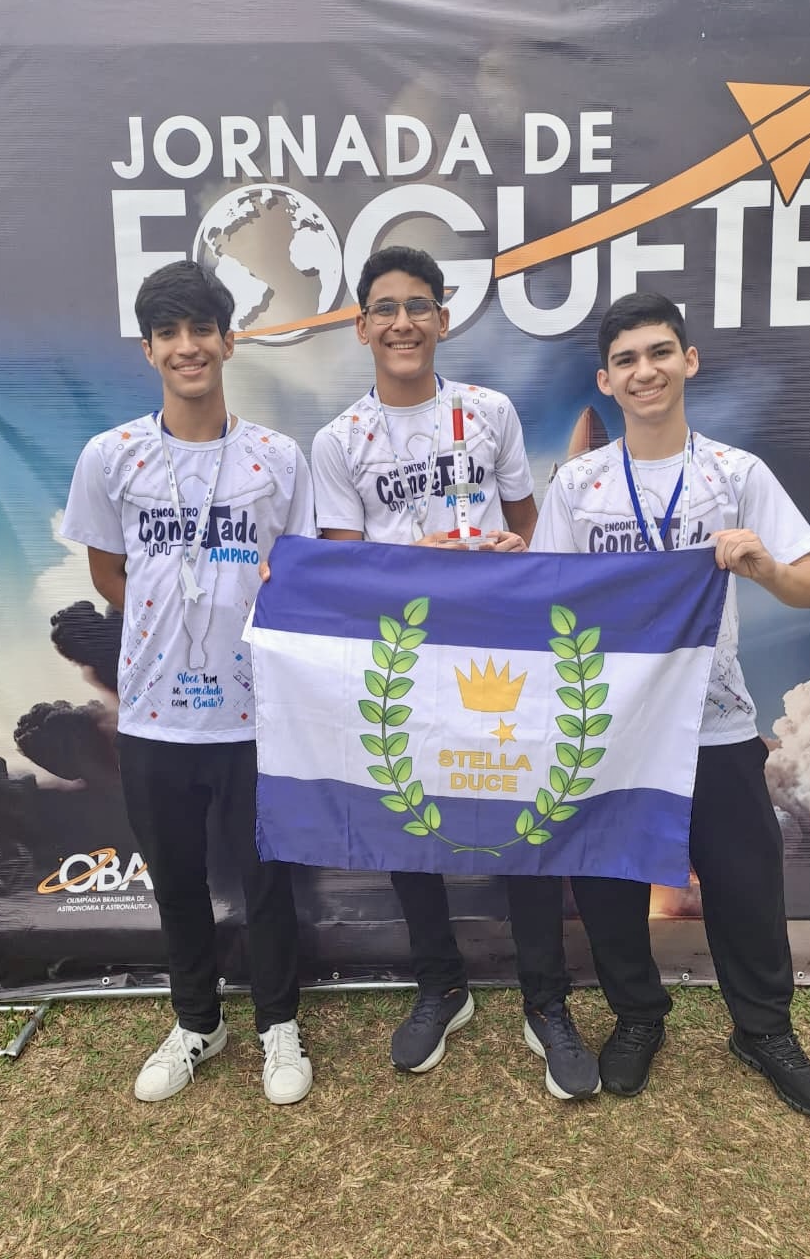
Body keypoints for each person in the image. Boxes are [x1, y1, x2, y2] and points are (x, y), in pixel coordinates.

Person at [533, 291, 810, 1117]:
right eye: (626, 359)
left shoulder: (735, 474)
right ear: (606, 380)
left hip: (717, 723)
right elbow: (543, 596)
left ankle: (764, 1030)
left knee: (745, 882)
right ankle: (638, 1016)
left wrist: (764, 566)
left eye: (660, 352)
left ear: (689, 360)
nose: (646, 371)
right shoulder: (579, 484)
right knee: (609, 886)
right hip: (609, 727)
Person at [310, 245, 600, 1100]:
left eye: (418, 306)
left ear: (442, 318)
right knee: (411, 822)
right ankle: (441, 985)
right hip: (403, 659)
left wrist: (512, 547)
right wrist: (419, 559)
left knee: (524, 816)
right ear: (361, 326)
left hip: (496, 647)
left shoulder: (489, 411)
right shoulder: (339, 441)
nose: (402, 322)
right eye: (385, 308)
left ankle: (545, 999)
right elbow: (344, 571)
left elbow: (532, 528)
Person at [61, 261, 315, 1105]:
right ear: (148, 350)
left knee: (267, 881)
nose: (187, 346)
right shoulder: (111, 456)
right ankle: (198, 1022)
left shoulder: (277, 458)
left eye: (201, 328)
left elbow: (298, 572)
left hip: (255, 716)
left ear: (228, 341)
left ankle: (279, 1023)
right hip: (155, 716)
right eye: (168, 333)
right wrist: (166, 628)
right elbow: (109, 573)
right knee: (176, 883)